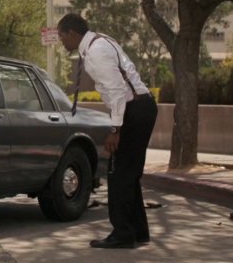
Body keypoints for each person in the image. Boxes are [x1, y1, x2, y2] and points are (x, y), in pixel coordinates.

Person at [56, 13, 158, 249]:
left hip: (134, 109)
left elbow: (116, 92)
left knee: (118, 174)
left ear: (72, 33)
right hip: (141, 107)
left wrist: (115, 129)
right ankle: (138, 231)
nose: (62, 43)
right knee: (129, 174)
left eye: (62, 37)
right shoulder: (99, 42)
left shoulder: (95, 51)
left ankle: (123, 233)